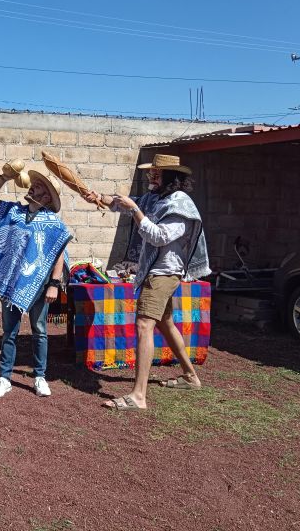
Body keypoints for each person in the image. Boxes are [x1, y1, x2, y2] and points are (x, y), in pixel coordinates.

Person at [83, 154, 210, 410]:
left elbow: (159, 237)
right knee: (164, 323)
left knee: (143, 324)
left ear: (171, 177)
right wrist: (99, 198)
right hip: (155, 272)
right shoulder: (156, 197)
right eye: (151, 172)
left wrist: (136, 210)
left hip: (163, 273)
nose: (151, 176)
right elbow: (121, 204)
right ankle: (191, 376)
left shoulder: (180, 204)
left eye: (156, 172)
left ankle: (138, 396)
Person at [0, 168, 71, 398]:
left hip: (39, 285)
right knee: (9, 331)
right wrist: (4, 178)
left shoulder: (53, 223)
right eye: (34, 184)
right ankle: (4, 377)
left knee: (39, 330)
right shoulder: (13, 211)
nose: (33, 187)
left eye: (39, 187)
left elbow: (59, 253)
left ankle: (40, 376)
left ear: (47, 197)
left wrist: (54, 284)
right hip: (12, 282)